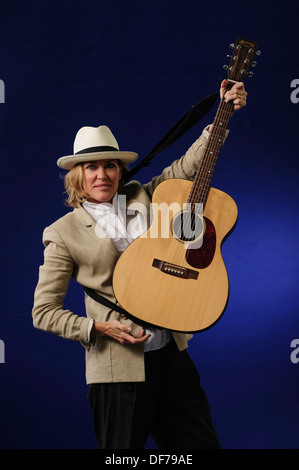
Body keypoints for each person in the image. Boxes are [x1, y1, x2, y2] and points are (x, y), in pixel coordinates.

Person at [32, 80, 247, 449]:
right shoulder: (63, 232)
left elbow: (190, 166)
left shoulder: (148, 196)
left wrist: (222, 115)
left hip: (172, 357)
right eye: (91, 167)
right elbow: (43, 312)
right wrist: (97, 328)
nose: (102, 175)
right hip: (117, 370)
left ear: (120, 170)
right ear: (78, 175)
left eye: (110, 165)